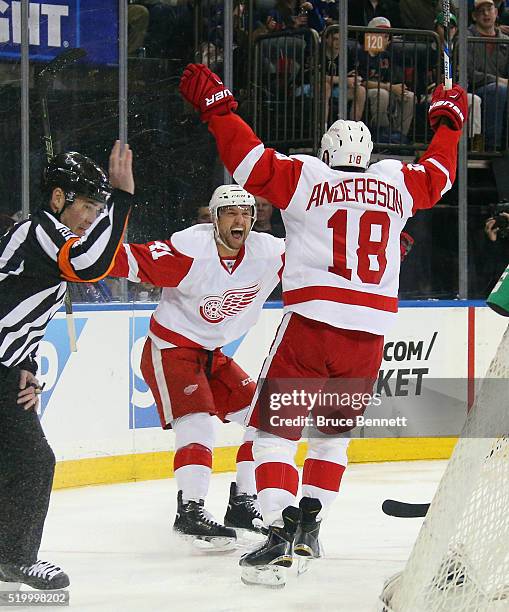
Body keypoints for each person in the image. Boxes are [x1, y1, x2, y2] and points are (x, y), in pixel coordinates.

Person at [179, 62, 467, 586]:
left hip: (311, 328)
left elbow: (247, 161)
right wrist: (447, 122)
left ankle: (276, 530)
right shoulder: (396, 182)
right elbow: (441, 175)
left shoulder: (308, 176)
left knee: (272, 435)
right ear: (367, 155)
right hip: (368, 338)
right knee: (332, 440)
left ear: (328, 153)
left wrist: (218, 107)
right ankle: (310, 526)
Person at [109, 184, 285, 551]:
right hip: (171, 348)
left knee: (265, 418)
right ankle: (190, 509)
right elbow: (124, 260)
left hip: (212, 354)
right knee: (198, 422)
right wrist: (71, 259)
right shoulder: (190, 250)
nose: (240, 220)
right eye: (230, 213)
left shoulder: (268, 253)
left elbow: (322, 255)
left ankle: (242, 503)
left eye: (246, 213)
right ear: (215, 218)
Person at [0, 142, 134, 590]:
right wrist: (123, 198)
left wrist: (27, 365)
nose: (94, 217)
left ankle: (12, 556)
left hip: (6, 369)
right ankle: (14, 556)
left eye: (100, 208)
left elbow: (21, 316)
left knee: (29, 461)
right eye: (90, 207)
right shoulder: (39, 231)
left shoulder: (46, 243)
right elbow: (89, 264)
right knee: (31, 460)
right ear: (58, 199)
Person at [358, 16, 416, 142]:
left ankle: (399, 138)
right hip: (368, 91)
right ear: (370, 34)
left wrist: (399, 87)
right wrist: (389, 87)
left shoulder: (387, 55)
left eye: (387, 36)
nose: (385, 39)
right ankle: (381, 137)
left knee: (409, 97)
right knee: (382, 94)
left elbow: (392, 80)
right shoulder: (360, 53)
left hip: (385, 89)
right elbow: (361, 82)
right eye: (381, 34)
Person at [468, 0, 509, 149]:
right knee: (499, 89)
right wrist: (498, 80)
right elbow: (469, 74)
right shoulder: (466, 37)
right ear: (474, 16)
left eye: (489, 9)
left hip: (500, 88)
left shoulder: (506, 41)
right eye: (481, 10)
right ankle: (493, 147)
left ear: (496, 13)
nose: (486, 14)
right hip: (472, 88)